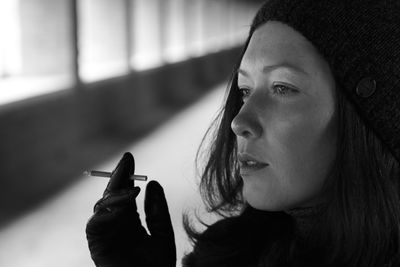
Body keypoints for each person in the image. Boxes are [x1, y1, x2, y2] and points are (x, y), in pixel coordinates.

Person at [85, 0, 400, 266]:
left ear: (372, 116)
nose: (239, 121)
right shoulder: (228, 252)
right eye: (245, 90)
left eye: (282, 88)